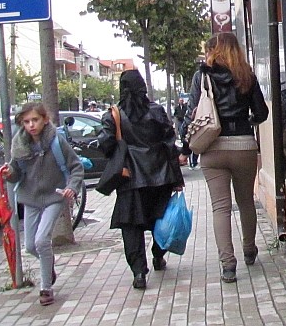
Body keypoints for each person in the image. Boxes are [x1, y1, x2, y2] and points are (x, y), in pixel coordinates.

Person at [179, 32, 269, 283]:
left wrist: (186, 149)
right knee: (246, 202)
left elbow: (191, 113)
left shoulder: (202, 76)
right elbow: (261, 112)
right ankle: (249, 250)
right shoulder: (246, 75)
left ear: (213, 50)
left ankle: (228, 265)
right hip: (243, 146)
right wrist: (247, 121)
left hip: (212, 148)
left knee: (220, 207)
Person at [97, 70, 184, 290]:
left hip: (130, 179)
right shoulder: (155, 111)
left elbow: (106, 145)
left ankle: (138, 272)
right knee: (160, 220)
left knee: (131, 226)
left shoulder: (113, 115)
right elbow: (169, 143)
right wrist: (176, 176)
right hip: (160, 175)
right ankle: (158, 254)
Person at [0, 103, 84, 306]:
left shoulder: (56, 141)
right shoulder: (19, 143)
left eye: (35, 120)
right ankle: (49, 266)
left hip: (54, 197)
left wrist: (71, 187)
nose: (31, 125)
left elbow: (76, 166)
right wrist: (9, 173)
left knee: (41, 241)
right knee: (30, 245)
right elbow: (17, 172)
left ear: (44, 120)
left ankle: (46, 288)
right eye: (26, 121)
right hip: (31, 199)